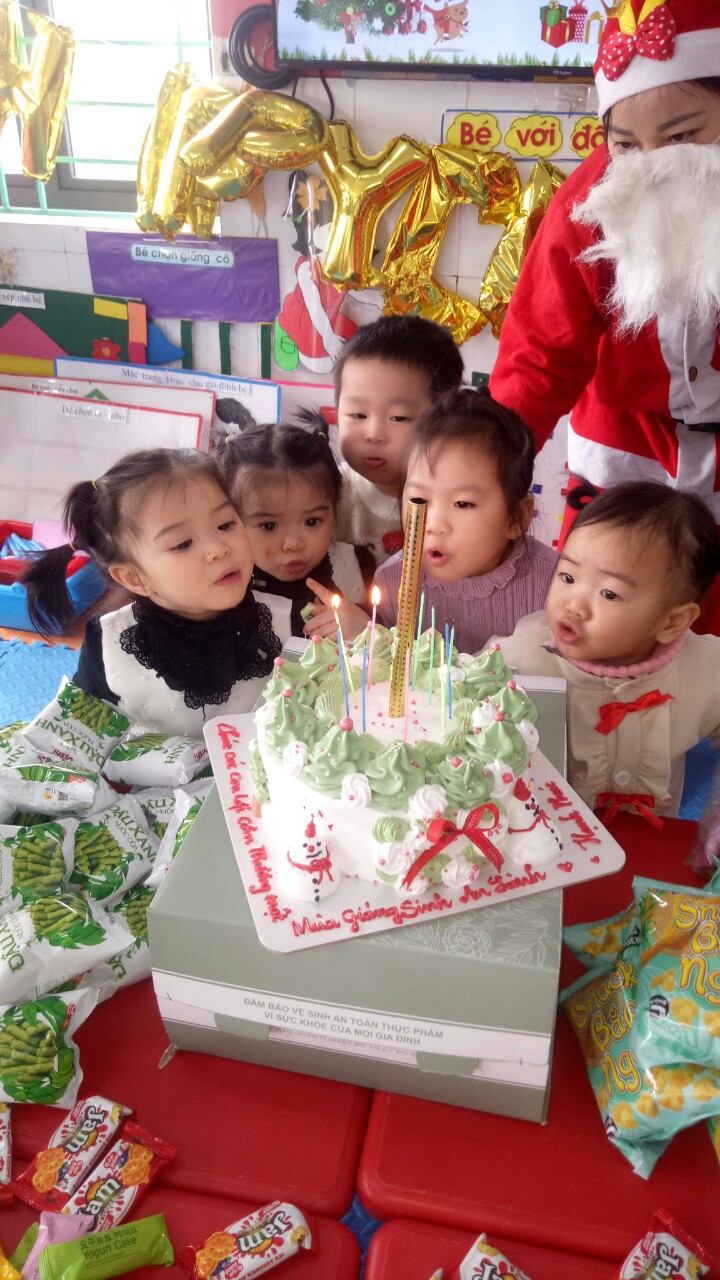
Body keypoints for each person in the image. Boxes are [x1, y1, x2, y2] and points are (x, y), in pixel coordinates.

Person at [489, 0, 720, 630]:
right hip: (621, 448)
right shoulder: (589, 204)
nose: (652, 167)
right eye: (626, 145)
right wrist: (488, 468)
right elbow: (539, 354)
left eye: (682, 138)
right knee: (603, 624)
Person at [493, 481, 720, 821]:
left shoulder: (706, 668)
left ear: (672, 622)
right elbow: (459, 700)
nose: (574, 605)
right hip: (546, 838)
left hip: (654, 841)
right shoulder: (519, 656)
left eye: (609, 594)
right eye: (568, 577)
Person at [23, 449, 291, 736]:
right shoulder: (110, 643)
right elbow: (83, 736)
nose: (218, 549)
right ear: (135, 578)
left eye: (225, 524)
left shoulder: (285, 620)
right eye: (183, 544)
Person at [373, 386, 557, 652]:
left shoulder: (555, 587)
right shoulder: (392, 584)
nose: (434, 525)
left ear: (516, 518)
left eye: (462, 504)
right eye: (419, 500)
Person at [218, 417, 374, 638]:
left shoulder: (357, 567)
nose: (293, 544)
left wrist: (369, 629)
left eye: (312, 522)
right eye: (269, 526)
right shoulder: (220, 589)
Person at [331, 314, 465, 568]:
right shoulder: (332, 494)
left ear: (446, 419)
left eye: (399, 417)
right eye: (358, 415)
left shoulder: (460, 501)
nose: (374, 434)